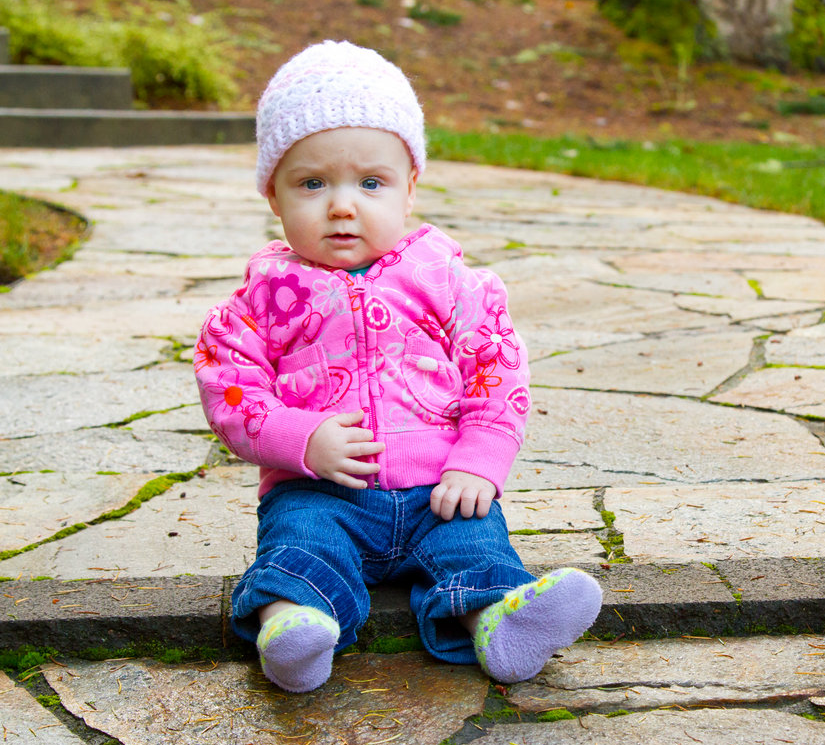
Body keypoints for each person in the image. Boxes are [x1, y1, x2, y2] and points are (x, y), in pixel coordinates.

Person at [194, 40, 601, 693]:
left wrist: (480, 457)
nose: (343, 205)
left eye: (371, 182)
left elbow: (496, 367)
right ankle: (292, 625)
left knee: (475, 547)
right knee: (296, 550)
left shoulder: (446, 280)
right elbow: (230, 388)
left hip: (439, 488)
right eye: (312, 183)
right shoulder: (261, 299)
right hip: (321, 491)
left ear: (410, 188)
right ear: (274, 194)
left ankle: (499, 621)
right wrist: (300, 439)